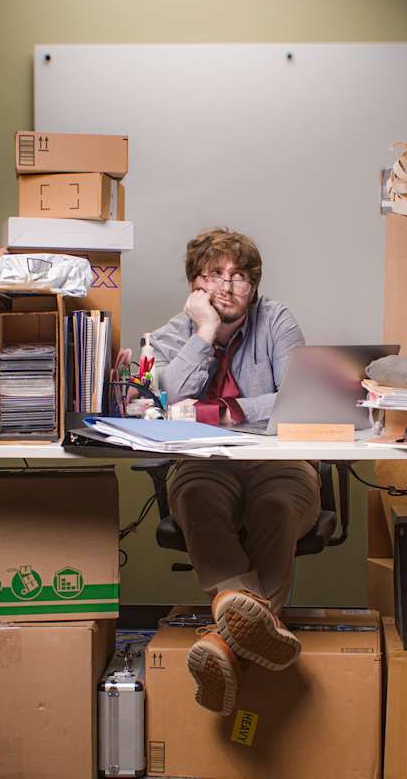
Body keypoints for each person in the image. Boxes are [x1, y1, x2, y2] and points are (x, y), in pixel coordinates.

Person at [149, 226, 320, 716]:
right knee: (197, 500)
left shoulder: (276, 321)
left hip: (278, 462)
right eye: (213, 275)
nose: (226, 287)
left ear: (254, 285)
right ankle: (245, 625)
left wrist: (220, 413)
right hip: (204, 467)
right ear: (194, 284)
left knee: (273, 506)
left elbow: (297, 399)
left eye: (239, 276)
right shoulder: (172, 334)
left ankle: (224, 636)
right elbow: (171, 399)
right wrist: (203, 332)